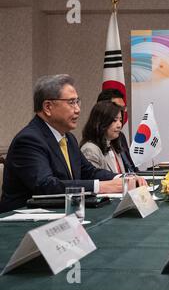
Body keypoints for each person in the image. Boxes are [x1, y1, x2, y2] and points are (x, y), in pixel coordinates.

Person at [0, 74, 145, 213]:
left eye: (77, 102)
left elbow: (89, 171)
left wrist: (123, 178)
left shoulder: (68, 138)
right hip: (21, 223)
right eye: (71, 103)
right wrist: (101, 187)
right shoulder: (29, 140)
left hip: (60, 214)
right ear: (48, 107)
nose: (78, 109)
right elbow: (46, 186)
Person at [96, 89, 138, 172]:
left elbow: (132, 169)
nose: (120, 112)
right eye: (116, 108)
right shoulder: (93, 147)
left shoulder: (120, 137)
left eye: (122, 108)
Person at [80, 101, 126, 173]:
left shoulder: (113, 145)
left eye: (120, 120)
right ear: (101, 122)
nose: (119, 125)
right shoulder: (90, 150)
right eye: (114, 120)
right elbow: (96, 181)